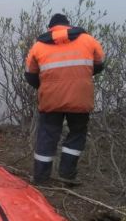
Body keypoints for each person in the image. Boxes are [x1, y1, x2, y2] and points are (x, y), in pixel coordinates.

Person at [24, 13, 105, 185]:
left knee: (47, 135)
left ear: (50, 28)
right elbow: (99, 65)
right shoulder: (88, 40)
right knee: (77, 133)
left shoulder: (38, 46)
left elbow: (30, 76)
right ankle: (67, 175)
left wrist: (47, 86)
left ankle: (41, 178)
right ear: (69, 25)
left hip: (51, 99)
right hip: (80, 97)